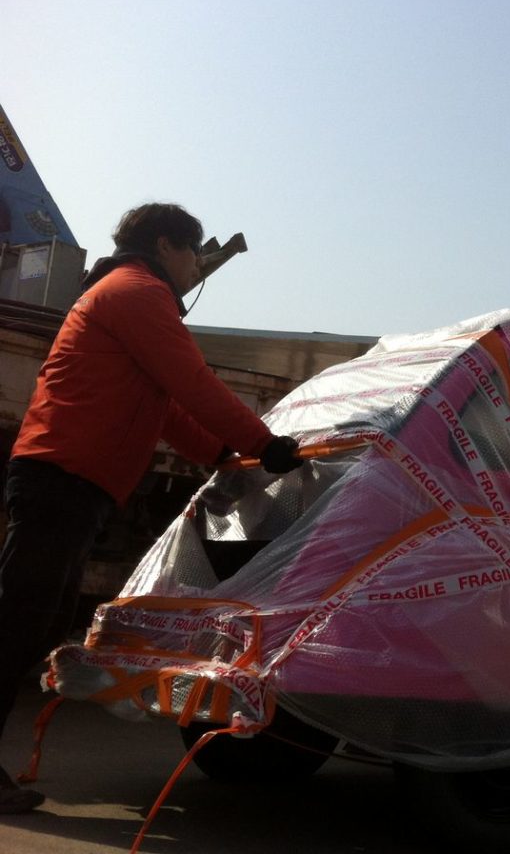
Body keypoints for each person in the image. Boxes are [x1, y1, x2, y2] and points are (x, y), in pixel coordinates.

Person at [0, 203, 303, 813]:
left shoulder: (126, 295)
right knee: (19, 622)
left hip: (75, 481)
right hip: (62, 476)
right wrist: (263, 445)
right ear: (167, 246)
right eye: (193, 252)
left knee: (36, 615)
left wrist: (223, 454)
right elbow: (192, 381)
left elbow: (166, 407)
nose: (197, 266)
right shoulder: (138, 293)